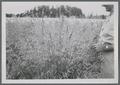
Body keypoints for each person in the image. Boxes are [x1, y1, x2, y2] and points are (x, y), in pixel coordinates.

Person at [93, 5, 114, 78]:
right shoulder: (110, 17)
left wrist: (104, 47)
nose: (103, 5)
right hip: (105, 65)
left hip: (113, 67)